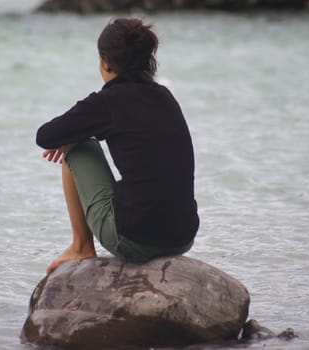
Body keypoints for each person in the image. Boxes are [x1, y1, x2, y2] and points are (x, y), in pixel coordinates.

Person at [36, 18, 199, 274]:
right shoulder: (165, 97)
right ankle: (81, 244)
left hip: (135, 240)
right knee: (77, 137)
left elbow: (44, 136)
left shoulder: (108, 101)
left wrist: (71, 138)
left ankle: (81, 246)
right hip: (183, 237)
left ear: (105, 61)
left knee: (79, 147)